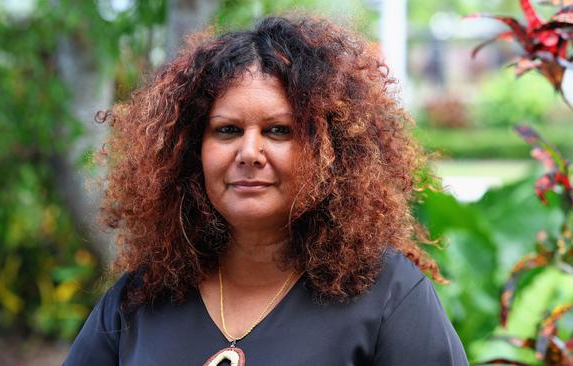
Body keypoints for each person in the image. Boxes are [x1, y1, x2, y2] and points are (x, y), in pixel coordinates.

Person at [64, 15, 468, 366]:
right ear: (191, 152)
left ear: (330, 150)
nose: (249, 152)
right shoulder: (139, 301)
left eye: (279, 131)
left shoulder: (390, 298)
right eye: (228, 131)